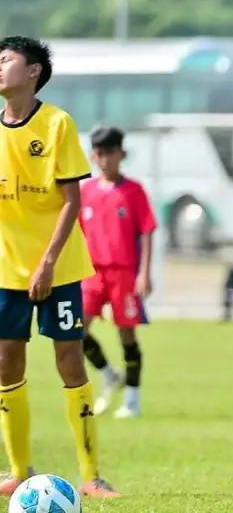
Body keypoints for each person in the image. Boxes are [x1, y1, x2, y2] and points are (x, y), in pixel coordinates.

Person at [0, 36, 118, 497]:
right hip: (7, 269)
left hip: (59, 267)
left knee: (70, 360)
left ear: (33, 71)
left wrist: (47, 263)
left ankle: (91, 476)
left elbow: (72, 200)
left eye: (6, 59)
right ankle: (18, 470)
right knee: (6, 363)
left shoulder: (56, 123)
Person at [79, 126, 158, 419]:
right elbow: (76, 233)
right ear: (92, 156)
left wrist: (144, 273)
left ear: (121, 154)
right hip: (91, 272)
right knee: (75, 330)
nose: (104, 159)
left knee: (127, 333)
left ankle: (132, 399)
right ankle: (108, 373)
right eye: (99, 153)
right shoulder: (86, 191)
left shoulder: (133, 191)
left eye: (110, 152)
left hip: (124, 272)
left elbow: (147, 231)